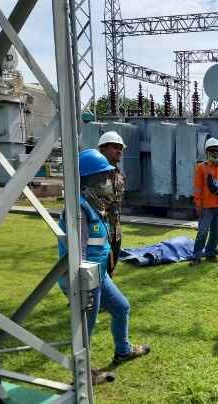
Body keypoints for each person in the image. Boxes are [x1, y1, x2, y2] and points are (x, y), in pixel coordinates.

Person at [58, 149, 150, 384]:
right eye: (101, 178)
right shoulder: (78, 209)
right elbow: (77, 254)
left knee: (121, 307)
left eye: (107, 177)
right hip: (86, 278)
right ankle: (82, 375)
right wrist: (82, 289)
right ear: (87, 181)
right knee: (85, 329)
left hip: (99, 274)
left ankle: (123, 350)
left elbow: (98, 243)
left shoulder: (93, 204)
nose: (107, 182)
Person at [191, 137, 218, 266]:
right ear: (207, 152)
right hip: (206, 207)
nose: (215, 153)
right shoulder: (201, 168)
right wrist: (198, 205)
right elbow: (197, 188)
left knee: (216, 232)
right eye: (212, 150)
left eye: (216, 150)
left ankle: (210, 254)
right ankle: (196, 257)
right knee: (202, 232)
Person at [97, 131, 126, 278]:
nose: (119, 151)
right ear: (102, 149)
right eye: (115, 147)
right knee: (96, 265)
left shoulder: (120, 175)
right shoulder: (94, 173)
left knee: (111, 265)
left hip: (115, 228)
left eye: (121, 147)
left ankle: (106, 295)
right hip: (98, 227)